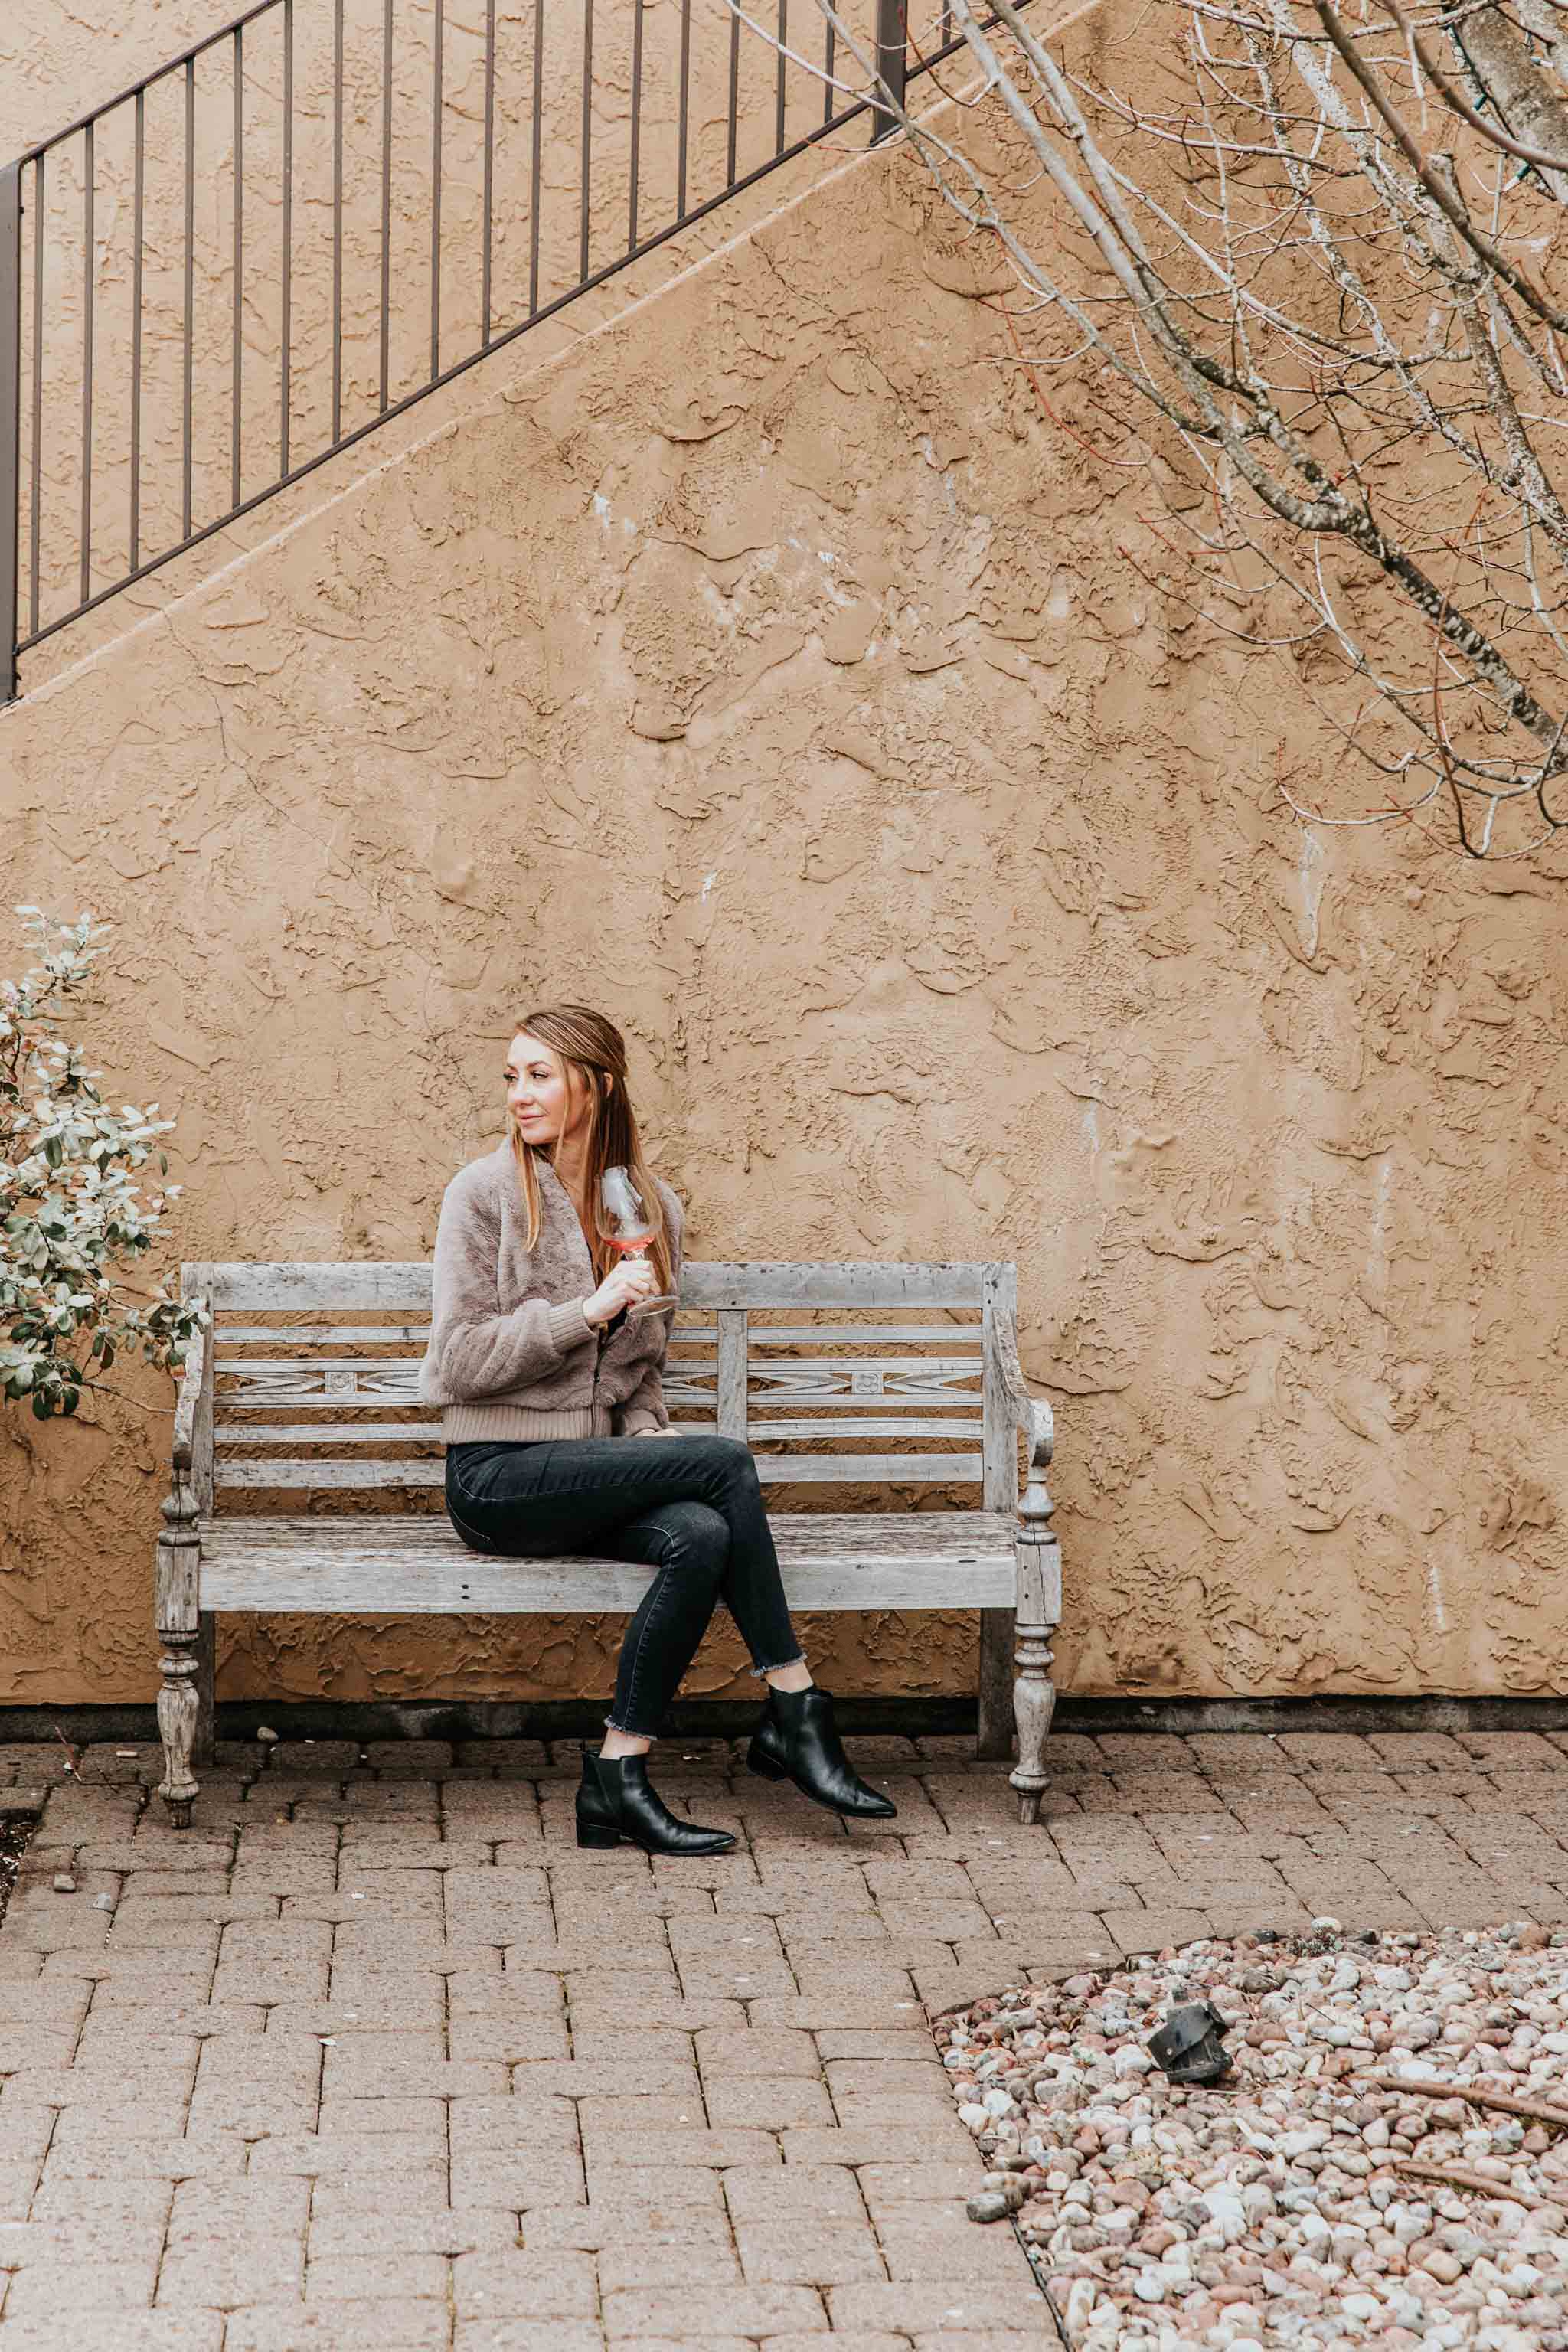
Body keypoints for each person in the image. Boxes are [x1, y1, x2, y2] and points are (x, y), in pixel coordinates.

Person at [419, 1003, 895, 1856]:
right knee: (723, 1463)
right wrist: (582, 1312)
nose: (518, 1096)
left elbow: (641, 1370)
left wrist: (642, 1438)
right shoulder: (483, 1195)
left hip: (591, 1471)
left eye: (538, 1076)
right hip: (498, 1476)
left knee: (702, 1532)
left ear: (595, 1086)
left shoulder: (650, 1207)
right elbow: (455, 1364)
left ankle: (616, 1778)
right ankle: (795, 1706)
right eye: (511, 1078)